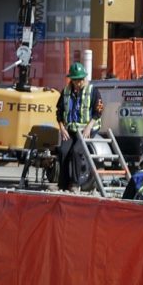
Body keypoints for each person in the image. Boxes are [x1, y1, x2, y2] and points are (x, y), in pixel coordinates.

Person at [55, 62, 103, 191]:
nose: (80, 83)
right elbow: (59, 112)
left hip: (88, 128)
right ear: (72, 80)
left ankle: (75, 184)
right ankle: (63, 184)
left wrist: (88, 127)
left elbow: (98, 111)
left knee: (77, 151)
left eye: (82, 79)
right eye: (77, 80)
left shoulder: (93, 91)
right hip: (71, 129)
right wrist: (62, 128)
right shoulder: (65, 92)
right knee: (63, 151)